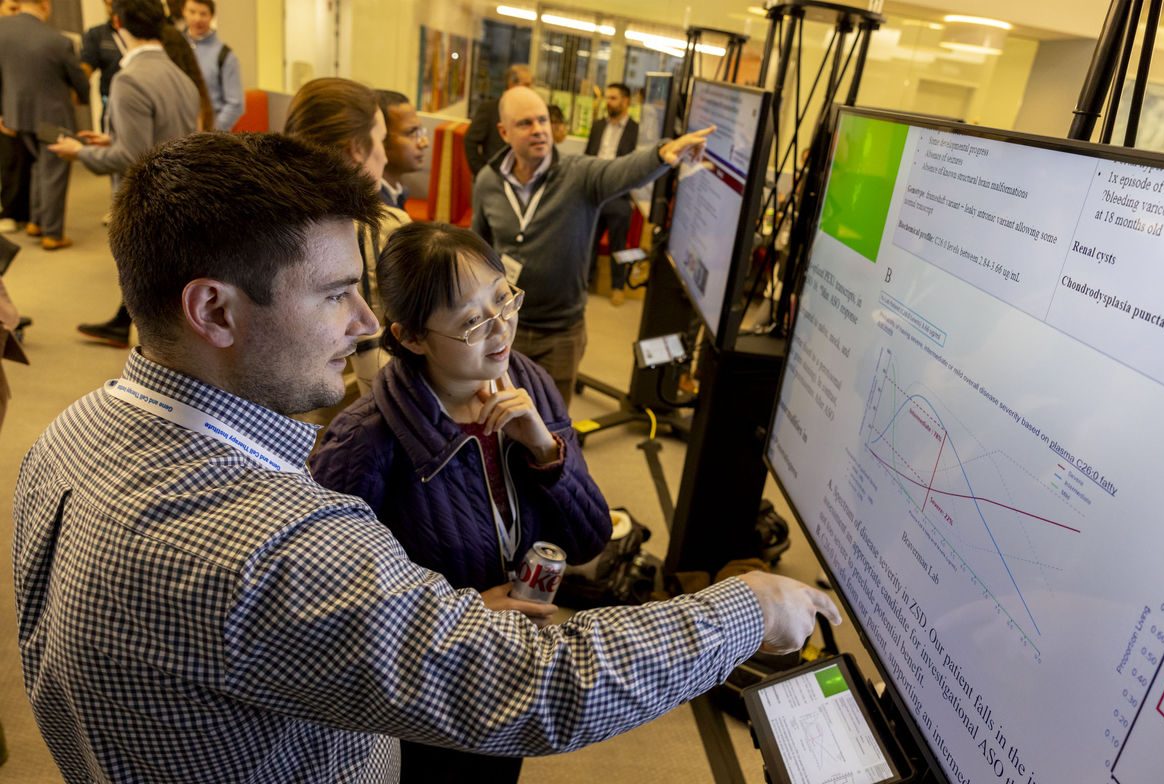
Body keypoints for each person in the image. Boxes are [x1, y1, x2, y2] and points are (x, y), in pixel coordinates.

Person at [13, 130, 840, 783]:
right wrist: (748, 611)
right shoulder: (279, 541)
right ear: (214, 311)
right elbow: (536, 687)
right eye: (337, 294)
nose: (364, 325)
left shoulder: (71, 435)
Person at [311, 222, 613, 782]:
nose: (501, 330)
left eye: (503, 299)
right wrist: (465, 615)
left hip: (507, 668)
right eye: (473, 321)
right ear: (413, 337)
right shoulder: (364, 441)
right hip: (422, 699)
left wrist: (546, 450)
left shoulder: (528, 381)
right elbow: (326, 617)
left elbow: (590, 539)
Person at [471, 86, 711, 402]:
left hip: (559, 333)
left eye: (542, 120)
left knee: (551, 424)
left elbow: (622, 171)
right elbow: (479, 251)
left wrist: (660, 155)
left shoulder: (579, 174)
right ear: (504, 132)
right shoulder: (489, 181)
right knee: (499, 413)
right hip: (505, 326)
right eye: (525, 123)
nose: (540, 130)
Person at [49, 0, 198, 349]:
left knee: (149, 289)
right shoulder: (180, 75)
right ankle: (123, 325)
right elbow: (166, 133)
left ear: (116, 21)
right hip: (179, 188)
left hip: (147, 196)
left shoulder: (128, 80)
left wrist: (80, 152)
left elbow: (131, 157)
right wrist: (111, 139)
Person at [286, 76, 409, 393]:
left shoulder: (271, 221)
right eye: (381, 141)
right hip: (353, 409)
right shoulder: (381, 227)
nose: (384, 154)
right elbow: (377, 355)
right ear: (356, 148)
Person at [0, 0, 91, 250]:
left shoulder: (2, 29)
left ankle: (36, 222)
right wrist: (83, 97)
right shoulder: (58, 40)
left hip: (18, 116)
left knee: (38, 168)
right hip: (52, 118)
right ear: (45, 5)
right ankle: (51, 233)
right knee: (52, 172)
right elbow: (79, 80)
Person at [585, 82, 640, 306]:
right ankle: (585, 282)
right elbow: (588, 156)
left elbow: (637, 166)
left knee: (619, 245)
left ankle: (618, 286)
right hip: (595, 193)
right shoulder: (598, 126)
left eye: (614, 98)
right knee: (589, 241)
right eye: (607, 98)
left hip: (619, 195)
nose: (608, 102)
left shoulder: (636, 130)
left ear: (626, 101)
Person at [181, 0, 242, 130]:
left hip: (209, 135)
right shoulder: (174, 47)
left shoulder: (225, 55)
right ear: (183, 12)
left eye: (203, 14)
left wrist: (210, 132)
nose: (197, 19)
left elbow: (235, 103)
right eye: (192, 12)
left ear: (212, 16)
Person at [464, 63, 530, 177]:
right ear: (511, 85)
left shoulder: (528, 113)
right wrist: (482, 173)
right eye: (527, 85)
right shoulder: (489, 109)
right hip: (495, 178)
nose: (530, 90)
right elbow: (470, 142)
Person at [0, 0, 28, 235]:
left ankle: (27, 214)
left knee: (26, 161)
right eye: (11, 9)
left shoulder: (24, 39)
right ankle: (9, 212)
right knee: (9, 162)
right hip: (5, 113)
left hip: (26, 111)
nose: (16, 14)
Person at [375, 89, 427, 211]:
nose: (424, 143)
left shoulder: (398, 193)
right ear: (381, 138)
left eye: (420, 132)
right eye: (411, 133)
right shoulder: (378, 208)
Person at [80, 0, 126, 133]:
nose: (111, 8)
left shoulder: (140, 32)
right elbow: (86, 66)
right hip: (111, 107)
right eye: (107, 4)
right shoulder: (97, 34)